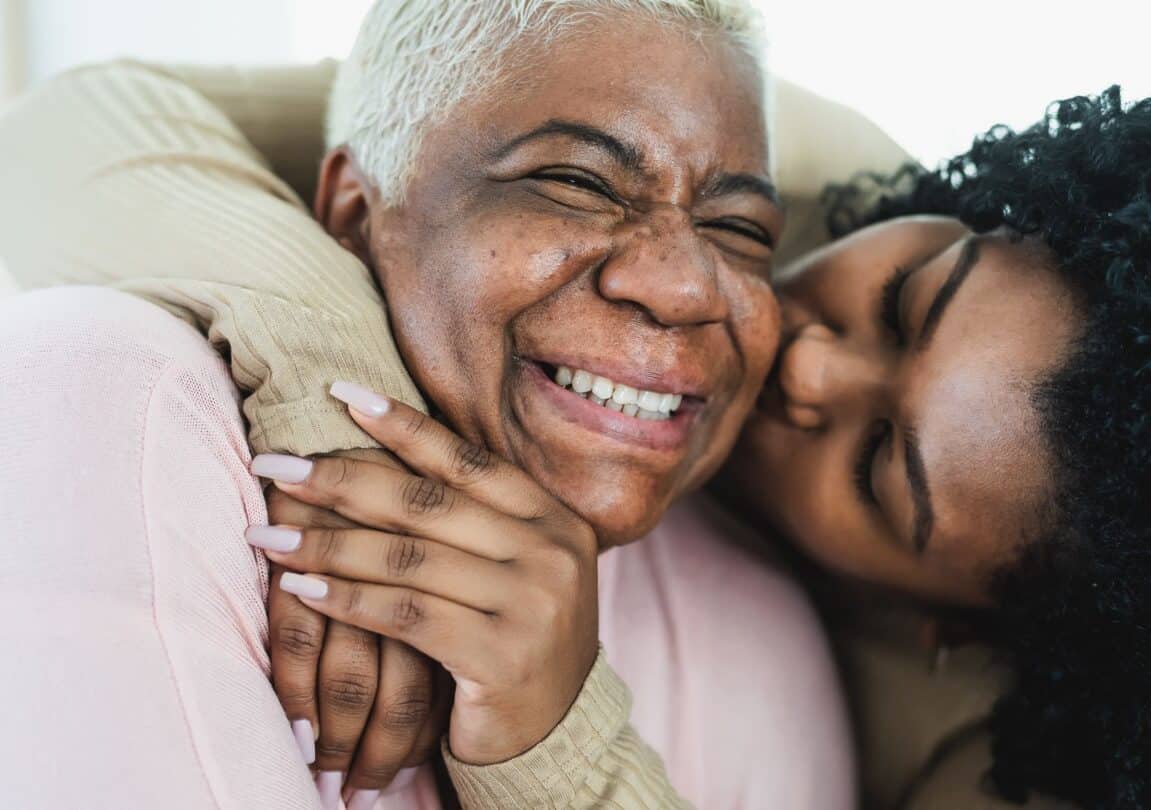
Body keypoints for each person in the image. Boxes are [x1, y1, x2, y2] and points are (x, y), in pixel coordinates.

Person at [8, 14, 1151, 810]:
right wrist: (339, 407)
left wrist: (561, 732)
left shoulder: (978, 759)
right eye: (906, 299)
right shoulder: (777, 167)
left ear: (945, 624)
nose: (809, 363)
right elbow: (92, 123)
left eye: (884, 468)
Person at [0, 1, 893, 808]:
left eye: (740, 230)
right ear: (352, 211)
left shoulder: (757, 638)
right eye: (577, 182)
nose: (683, 286)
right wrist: (339, 416)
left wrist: (561, 757)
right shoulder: (123, 416)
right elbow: (64, 128)